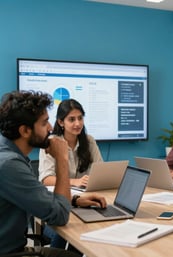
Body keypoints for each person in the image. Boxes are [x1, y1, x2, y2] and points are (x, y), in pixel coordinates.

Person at [0, 91, 107, 256]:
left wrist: (75, 199)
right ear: (25, 131)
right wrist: (62, 159)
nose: (50, 128)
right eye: (44, 123)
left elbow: (36, 194)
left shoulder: (9, 155)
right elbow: (60, 216)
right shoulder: (9, 165)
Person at [38, 98, 103, 249]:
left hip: (84, 201)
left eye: (80, 118)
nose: (78, 123)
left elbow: (100, 171)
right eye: (71, 119)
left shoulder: (89, 141)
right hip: (60, 204)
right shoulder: (51, 142)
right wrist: (74, 182)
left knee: (90, 227)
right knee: (71, 229)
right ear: (61, 122)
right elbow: (46, 179)